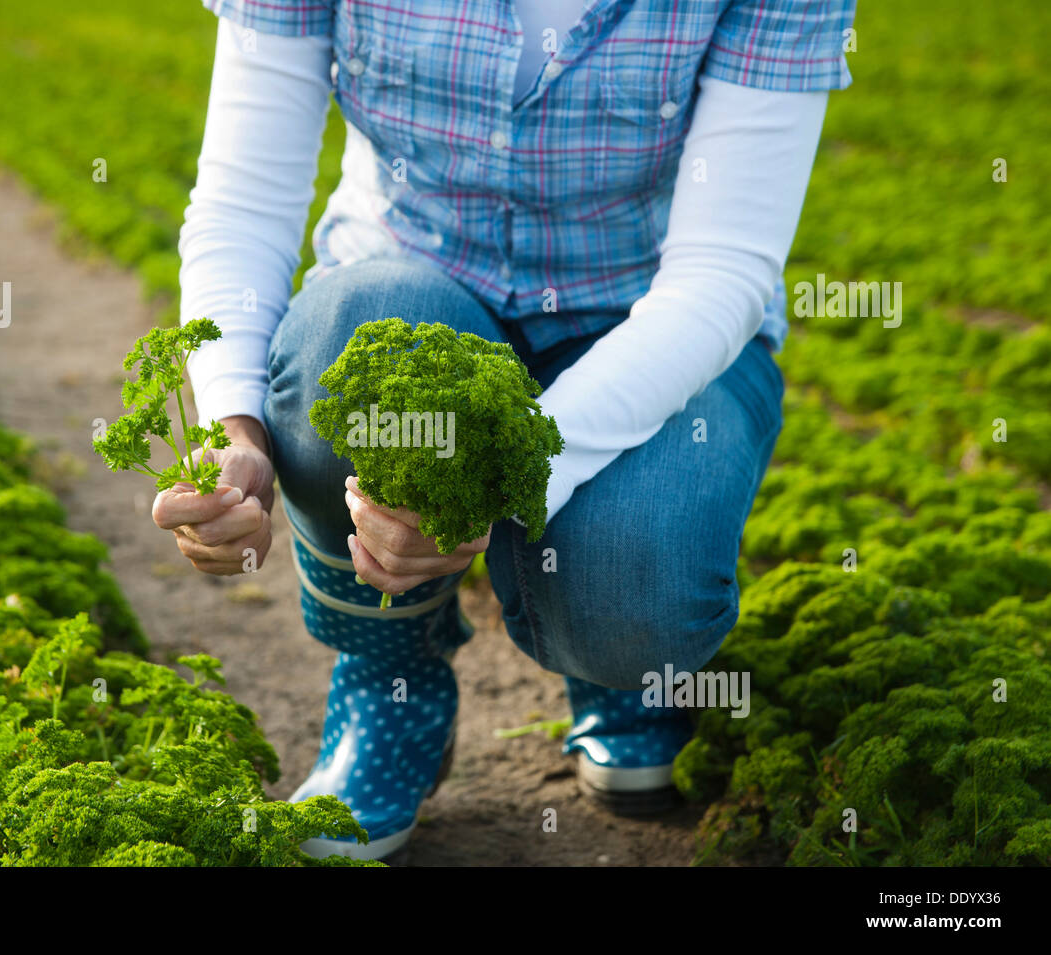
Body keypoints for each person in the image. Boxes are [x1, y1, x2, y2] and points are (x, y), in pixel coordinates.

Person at [154, 0, 856, 860]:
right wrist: (239, 429)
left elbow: (722, 272)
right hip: (413, 285)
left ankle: (613, 670)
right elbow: (244, 199)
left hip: (654, 324)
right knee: (354, 336)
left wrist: (501, 472)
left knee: (636, 590)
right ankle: (391, 674)